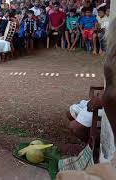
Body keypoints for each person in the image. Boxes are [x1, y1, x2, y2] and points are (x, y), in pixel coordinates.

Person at [56, 17, 116, 180]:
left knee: (74, 126)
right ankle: (90, 146)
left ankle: (93, 148)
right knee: (70, 112)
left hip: (103, 102)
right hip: (103, 99)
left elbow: (110, 94)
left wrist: (103, 99)